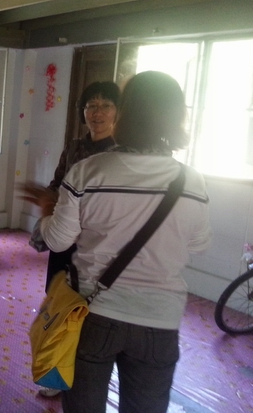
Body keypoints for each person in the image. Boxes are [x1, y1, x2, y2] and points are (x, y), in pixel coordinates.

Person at [24, 71, 212, 412]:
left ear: (123, 113)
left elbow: (58, 240)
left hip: (95, 313)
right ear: (177, 118)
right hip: (160, 320)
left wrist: (48, 211)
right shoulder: (192, 181)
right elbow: (199, 244)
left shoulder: (89, 171)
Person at [23, 81, 119, 399]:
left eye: (105, 105)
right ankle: (56, 376)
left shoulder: (122, 154)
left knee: (90, 313)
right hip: (65, 239)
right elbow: (58, 183)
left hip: (97, 245)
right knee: (58, 306)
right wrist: (45, 195)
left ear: (118, 112)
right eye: (91, 106)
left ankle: (85, 377)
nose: (97, 113)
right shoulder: (75, 146)